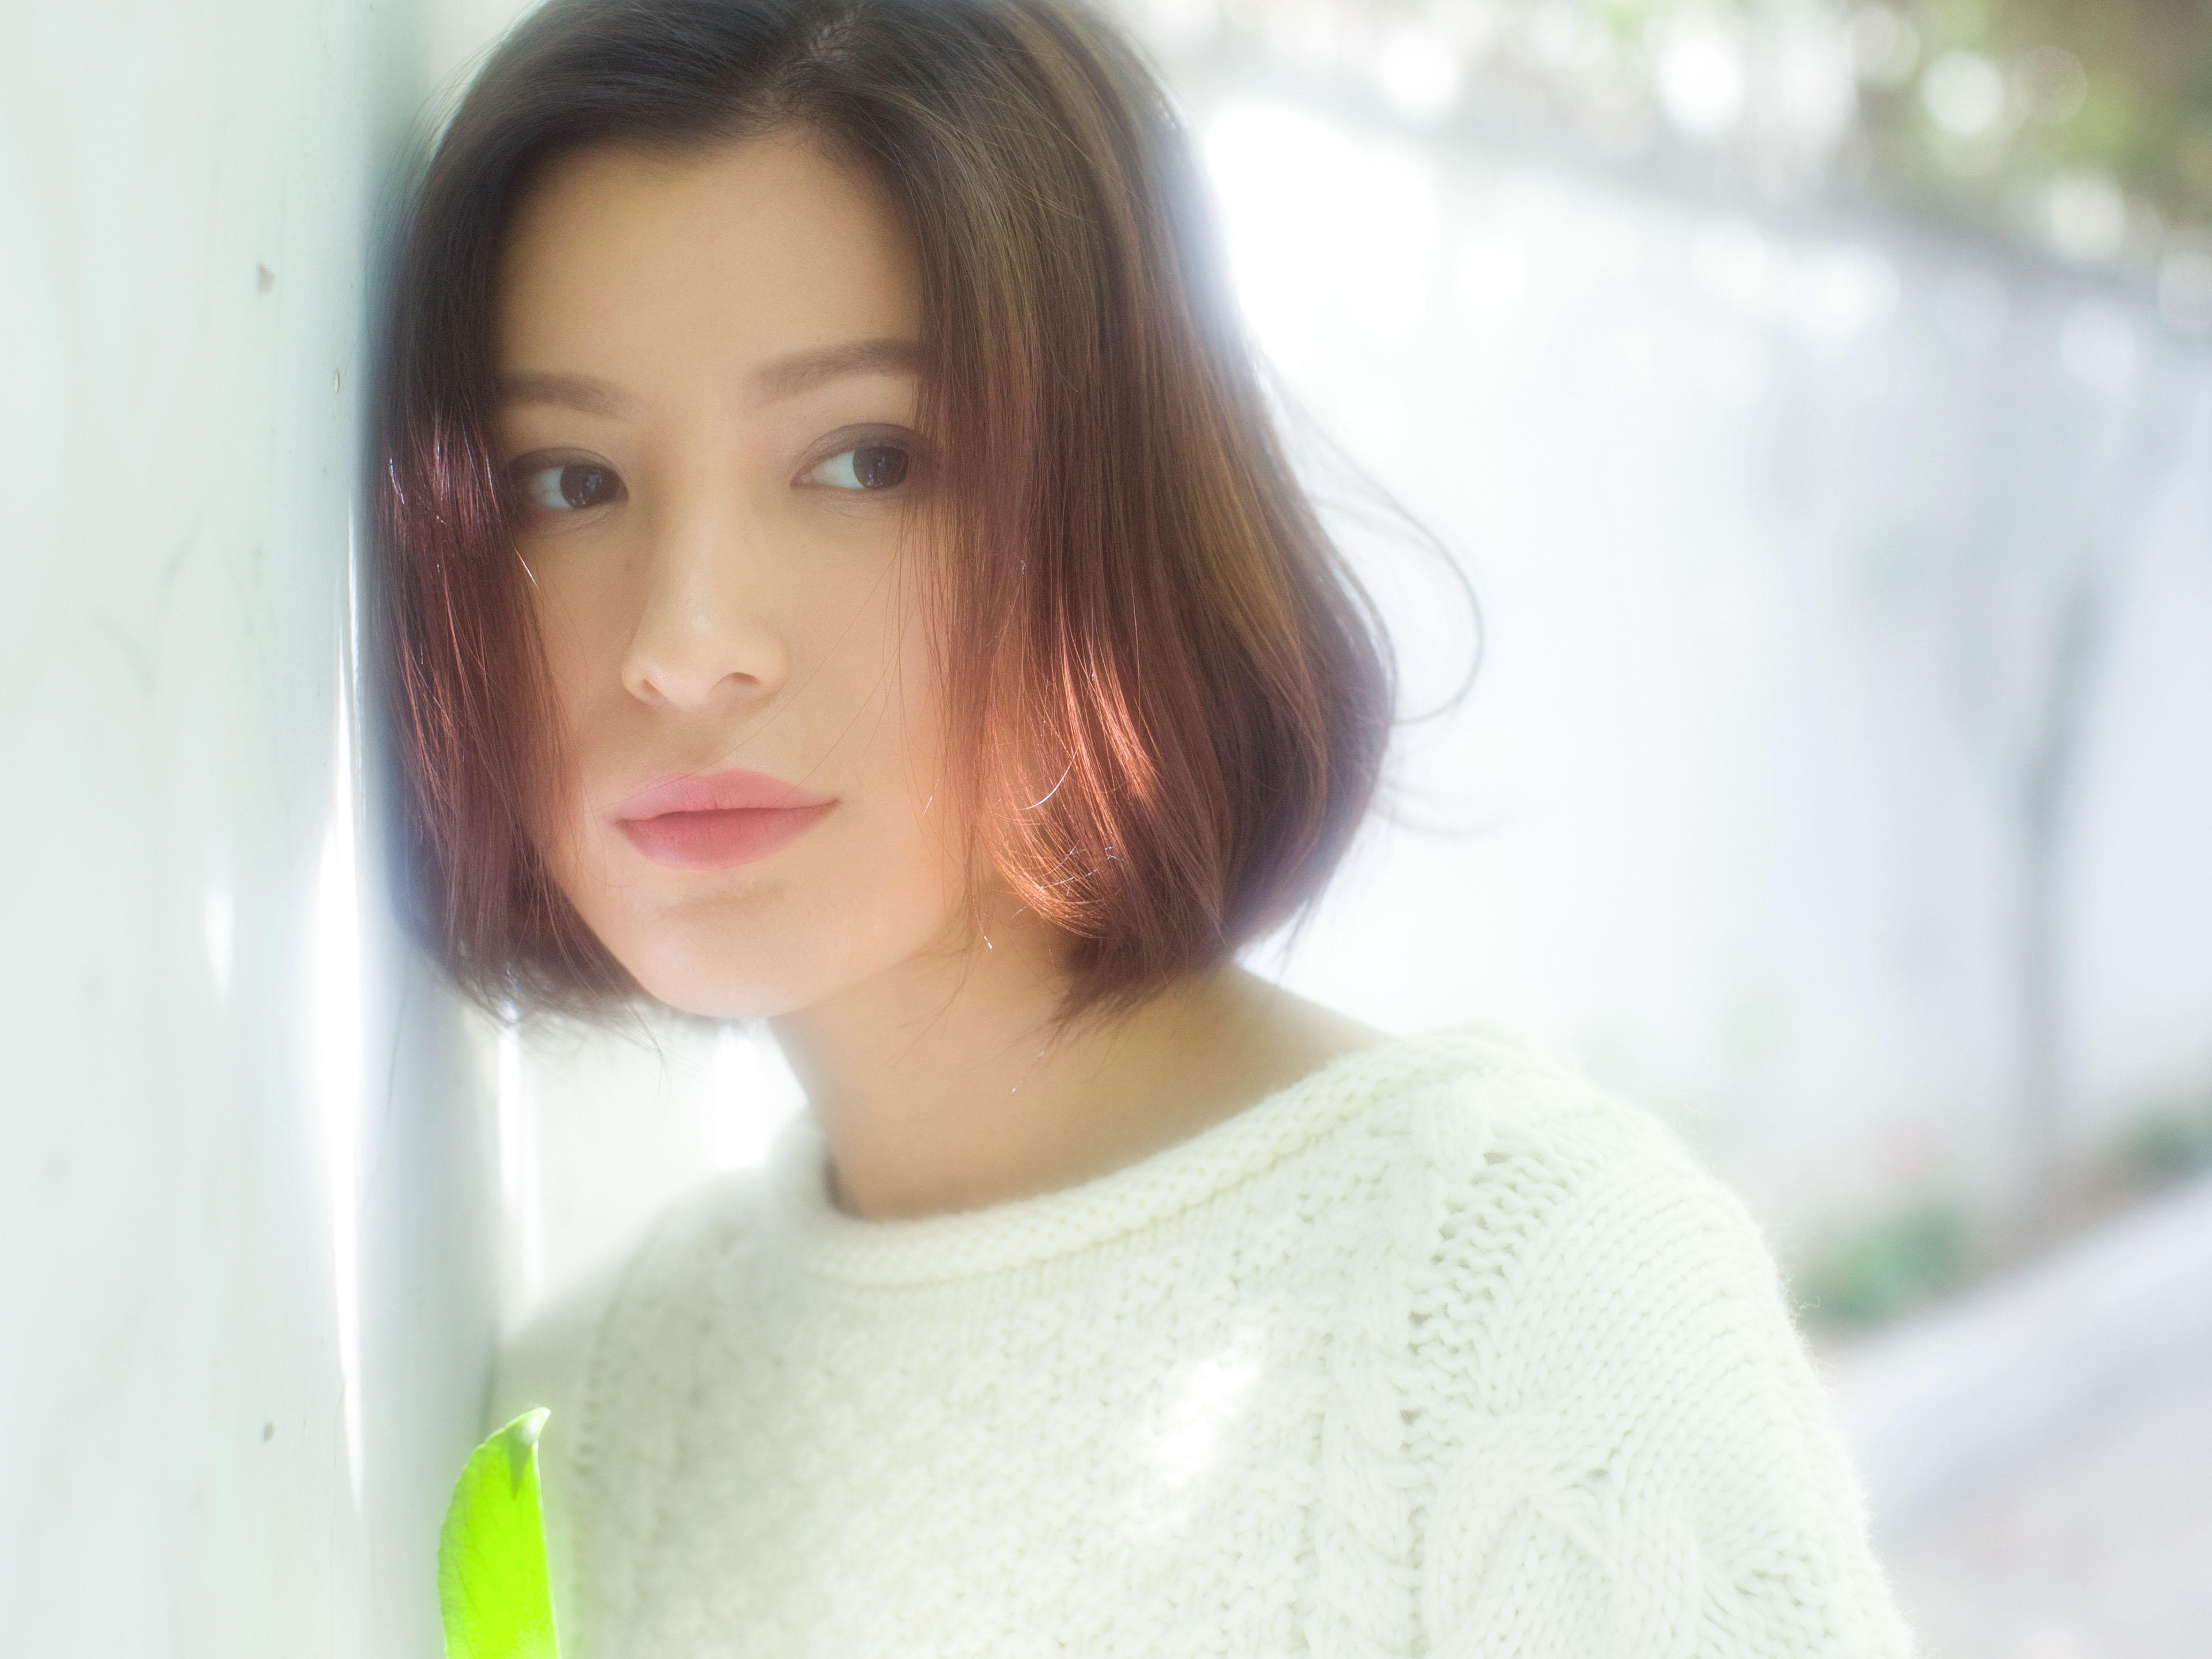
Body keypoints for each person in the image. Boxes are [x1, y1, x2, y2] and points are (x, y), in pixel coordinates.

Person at [371, 0, 1919, 1652]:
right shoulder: (596, 1408)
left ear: (1115, 503)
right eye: (567, 481)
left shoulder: (1522, 1303)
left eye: (864, 460)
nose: (683, 645)